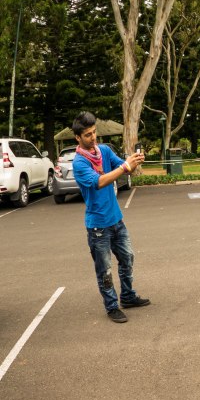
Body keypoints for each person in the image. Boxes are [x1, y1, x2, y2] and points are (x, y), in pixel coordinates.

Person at [72, 111, 151, 323]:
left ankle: (128, 296)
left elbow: (124, 169)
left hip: (116, 220)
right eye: (87, 135)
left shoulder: (105, 151)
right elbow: (99, 182)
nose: (93, 137)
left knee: (127, 258)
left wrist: (133, 163)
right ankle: (112, 306)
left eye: (94, 132)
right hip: (98, 227)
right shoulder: (79, 163)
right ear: (78, 137)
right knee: (104, 270)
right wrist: (125, 166)